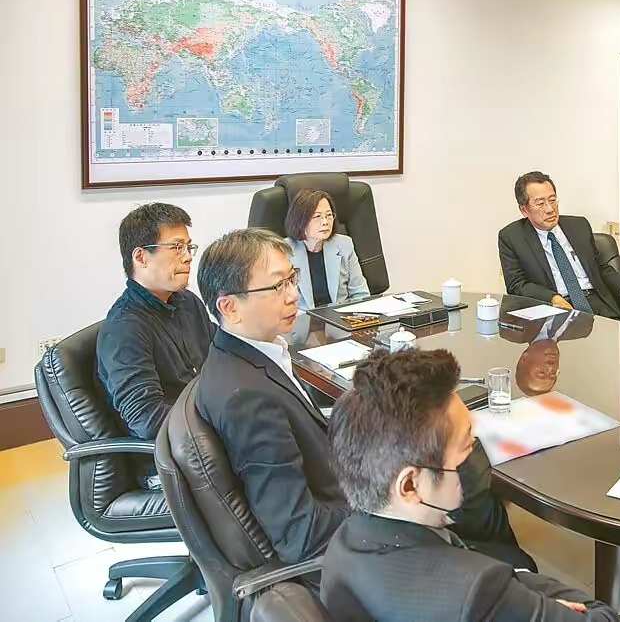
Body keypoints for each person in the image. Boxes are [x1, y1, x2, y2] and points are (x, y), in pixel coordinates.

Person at [195, 229, 521, 566]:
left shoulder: (249, 357)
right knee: (468, 482)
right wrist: (393, 508)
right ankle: (505, 566)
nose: (293, 295)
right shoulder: (246, 399)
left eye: (292, 279)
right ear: (230, 307)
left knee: (459, 455)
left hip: (346, 483)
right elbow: (298, 533)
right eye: (278, 286)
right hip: (359, 534)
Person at [321, 348, 620, 621]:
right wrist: (525, 595)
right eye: (465, 448)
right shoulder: (478, 591)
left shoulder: (343, 547)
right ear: (410, 486)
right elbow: (600, 617)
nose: (475, 457)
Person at [97, 203, 215, 440]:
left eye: (188, 247)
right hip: (174, 448)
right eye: (177, 247)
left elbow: (222, 356)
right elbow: (146, 420)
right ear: (141, 257)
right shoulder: (124, 329)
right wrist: (218, 420)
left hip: (207, 422)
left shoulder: (188, 302)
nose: (188, 257)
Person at [499, 171, 620, 322]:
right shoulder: (512, 237)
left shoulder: (579, 226)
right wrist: (553, 298)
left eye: (552, 200)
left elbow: (600, 268)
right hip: (556, 309)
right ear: (524, 210)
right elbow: (516, 285)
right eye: (540, 204)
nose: (550, 209)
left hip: (598, 303)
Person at [284, 188, 370, 310]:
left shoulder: (344, 245)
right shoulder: (283, 252)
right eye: (317, 216)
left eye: (329, 215)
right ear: (300, 220)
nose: (325, 222)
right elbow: (281, 304)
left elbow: (360, 295)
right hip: (302, 319)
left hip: (340, 318)